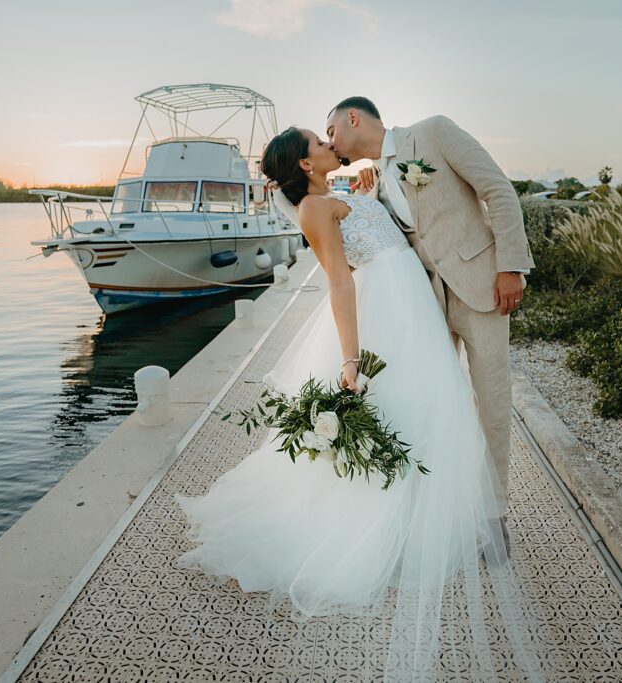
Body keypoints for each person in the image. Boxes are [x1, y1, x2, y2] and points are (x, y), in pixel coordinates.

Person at [173, 126, 549, 680]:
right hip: (387, 314)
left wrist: (369, 198)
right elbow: (340, 284)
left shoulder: (343, 196)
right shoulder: (314, 213)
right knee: (405, 405)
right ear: (304, 164)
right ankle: (383, 526)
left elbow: (385, 234)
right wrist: (349, 360)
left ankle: (428, 509)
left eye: (329, 136)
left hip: (415, 307)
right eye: (317, 143)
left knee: (426, 408)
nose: (330, 145)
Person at [326, 97, 535, 547]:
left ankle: (494, 517)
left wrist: (510, 266)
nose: (330, 143)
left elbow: (497, 189)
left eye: (331, 132)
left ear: (353, 118)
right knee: (437, 406)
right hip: (427, 303)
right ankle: (444, 508)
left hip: (482, 288)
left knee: (492, 404)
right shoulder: (374, 179)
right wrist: (370, 192)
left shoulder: (435, 132)